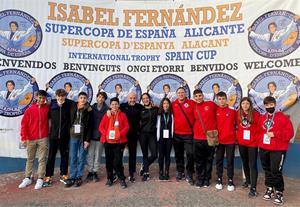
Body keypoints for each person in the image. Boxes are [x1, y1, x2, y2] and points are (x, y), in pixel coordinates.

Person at [258, 96, 294, 205]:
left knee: (275, 170)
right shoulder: (262, 118)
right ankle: (269, 189)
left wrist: (275, 134)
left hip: (278, 149)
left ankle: (279, 192)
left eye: (271, 105)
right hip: (264, 148)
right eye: (267, 105)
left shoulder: (282, 117)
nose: (269, 107)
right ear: (264, 106)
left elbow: (290, 134)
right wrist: (260, 142)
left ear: (275, 105)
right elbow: (259, 132)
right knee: (267, 169)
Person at [18, 90, 49, 190]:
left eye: (43, 98)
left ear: (45, 99)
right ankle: (28, 178)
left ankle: (40, 178)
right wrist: (23, 138)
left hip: (43, 138)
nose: (41, 100)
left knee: (42, 159)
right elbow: (24, 125)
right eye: (39, 98)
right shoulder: (29, 110)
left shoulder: (47, 108)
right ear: (36, 97)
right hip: (31, 138)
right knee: (30, 159)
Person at [43, 89, 73, 187]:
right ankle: (48, 175)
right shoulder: (51, 104)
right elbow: (46, 116)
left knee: (65, 156)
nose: (60, 98)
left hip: (65, 136)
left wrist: (87, 106)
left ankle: (63, 174)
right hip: (53, 136)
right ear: (56, 96)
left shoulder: (69, 104)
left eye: (62, 96)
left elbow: (81, 104)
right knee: (51, 156)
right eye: (59, 96)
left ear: (65, 96)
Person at [99, 97, 129, 189]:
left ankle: (121, 178)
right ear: (110, 105)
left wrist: (120, 134)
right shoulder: (107, 115)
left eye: (116, 104)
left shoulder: (122, 115)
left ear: (118, 105)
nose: (114, 106)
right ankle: (110, 178)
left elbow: (127, 127)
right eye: (112, 104)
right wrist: (106, 134)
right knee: (109, 161)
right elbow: (101, 127)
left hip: (119, 142)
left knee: (117, 161)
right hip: (108, 142)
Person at [65, 92, 92, 188]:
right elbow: (61, 99)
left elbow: (90, 127)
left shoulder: (88, 110)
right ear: (78, 98)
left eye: (85, 98)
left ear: (87, 99)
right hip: (73, 136)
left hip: (83, 137)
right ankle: (72, 176)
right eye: (81, 98)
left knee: (81, 157)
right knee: (73, 157)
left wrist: (87, 140)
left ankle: (79, 176)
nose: (83, 99)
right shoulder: (72, 106)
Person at [192, 89, 217, 188]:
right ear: (194, 97)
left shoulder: (211, 104)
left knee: (209, 159)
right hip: (197, 137)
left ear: (203, 96)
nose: (198, 98)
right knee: (199, 160)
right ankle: (200, 178)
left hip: (210, 137)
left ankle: (207, 179)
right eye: (196, 96)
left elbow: (220, 111)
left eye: (200, 95)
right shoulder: (193, 107)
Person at [236, 97, 260, 197]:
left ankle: (253, 188)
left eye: (247, 103)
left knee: (252, 164)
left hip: (252, 143)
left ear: (250, 105)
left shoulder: (255, 114)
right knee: (245, 163)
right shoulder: (237, 113)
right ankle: (248, 181)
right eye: (243, 103)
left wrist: (256, 139)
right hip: (242, 143)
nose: (245, 105)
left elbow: (259, 128)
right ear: (241, 105)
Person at [172, 87, 195, 185]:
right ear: (176, 94)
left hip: (189, 134)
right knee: (178, 154)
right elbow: (163, 110)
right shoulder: (173, 104)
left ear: (185, 94)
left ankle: (189, 173)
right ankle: (180, 171)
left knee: (190, 154)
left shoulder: (191, 103)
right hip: (177, 134)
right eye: (179, 93)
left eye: (182, 92)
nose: (181, 94)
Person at [215, 91, 236, 191]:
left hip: (230, 141)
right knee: (219, 160)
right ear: (217, 100)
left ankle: (230, 180)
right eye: (219, 99)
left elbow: (238, 124)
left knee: (230, 161)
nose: (221, 101)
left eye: (223, 98)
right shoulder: (216, 110)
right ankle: (219, 179)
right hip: (219, 141)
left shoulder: (232, 110)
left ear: (226, 99)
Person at [120, 92, 143, 182]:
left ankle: (131, 172)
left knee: (132, 155)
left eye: (134, 98)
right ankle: (119, 171)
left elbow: (148, 109)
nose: (132, 100)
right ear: (127, 98)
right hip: (123, 134)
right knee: (119, 154)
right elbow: (113, 108)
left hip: (134, 135)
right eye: (131, 98)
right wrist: (109, 110)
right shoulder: (122, 106)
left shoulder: (139, 106)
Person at [86, 91, 109, 182]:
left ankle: (95, 172)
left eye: (103, 97)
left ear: (104, 99)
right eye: (99, 97)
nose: (101, 99)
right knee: (90, 155)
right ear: (96, 98)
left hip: (101, 136)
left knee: (98, 155)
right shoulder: (91, 108)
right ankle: (90, 172)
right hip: (91, 136)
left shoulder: (107, 109)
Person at [139, 93, 159, 181]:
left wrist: (158, 106)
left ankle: (144, 165)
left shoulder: (155, 109)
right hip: (142, 135)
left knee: (154, 154)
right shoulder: (140, 109)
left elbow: (166, 109)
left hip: (152, 134)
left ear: (149, 99)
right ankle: (146, 173)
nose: (145, 100)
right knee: (145, 154)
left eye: (147, 98)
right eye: (143, 98)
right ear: (142, 100)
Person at [156, 98, 174, 181]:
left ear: (169, 105)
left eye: (167, 103)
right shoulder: (158, 114)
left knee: (167, 155)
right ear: (161, 105)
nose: (165, 105)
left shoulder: (172, 114)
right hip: (161, 138)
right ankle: (160, 172)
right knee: (161, 155)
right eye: (164, 103)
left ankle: (167, 172)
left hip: (169, 138)